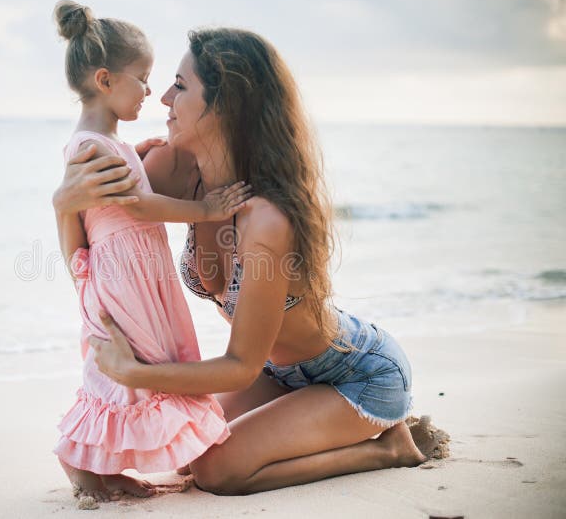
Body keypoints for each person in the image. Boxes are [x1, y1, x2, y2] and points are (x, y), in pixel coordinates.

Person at [53, 26, 450, 496]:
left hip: (355, 375)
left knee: (217, 471)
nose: (162, 98)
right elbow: (94, 256)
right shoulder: (173, 171)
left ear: (226, 106)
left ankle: (389, 447)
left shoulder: (267, 219)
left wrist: (133, 373)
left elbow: (240, 364)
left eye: (180, 86)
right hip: (277, 374)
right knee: (188, 446)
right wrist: (63, 205)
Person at [51, 2, 254, 503]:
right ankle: (81, 462)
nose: (151, 91)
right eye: (142, 79)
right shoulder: (95, 147)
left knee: (134, 364)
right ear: (105, 79)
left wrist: (139, 157)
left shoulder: (105, 142)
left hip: (132, 270)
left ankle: (102, 466)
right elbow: (139, 208)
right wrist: (207, 210)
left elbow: (126, 196)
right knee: (124, 362)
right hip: (125, 274)